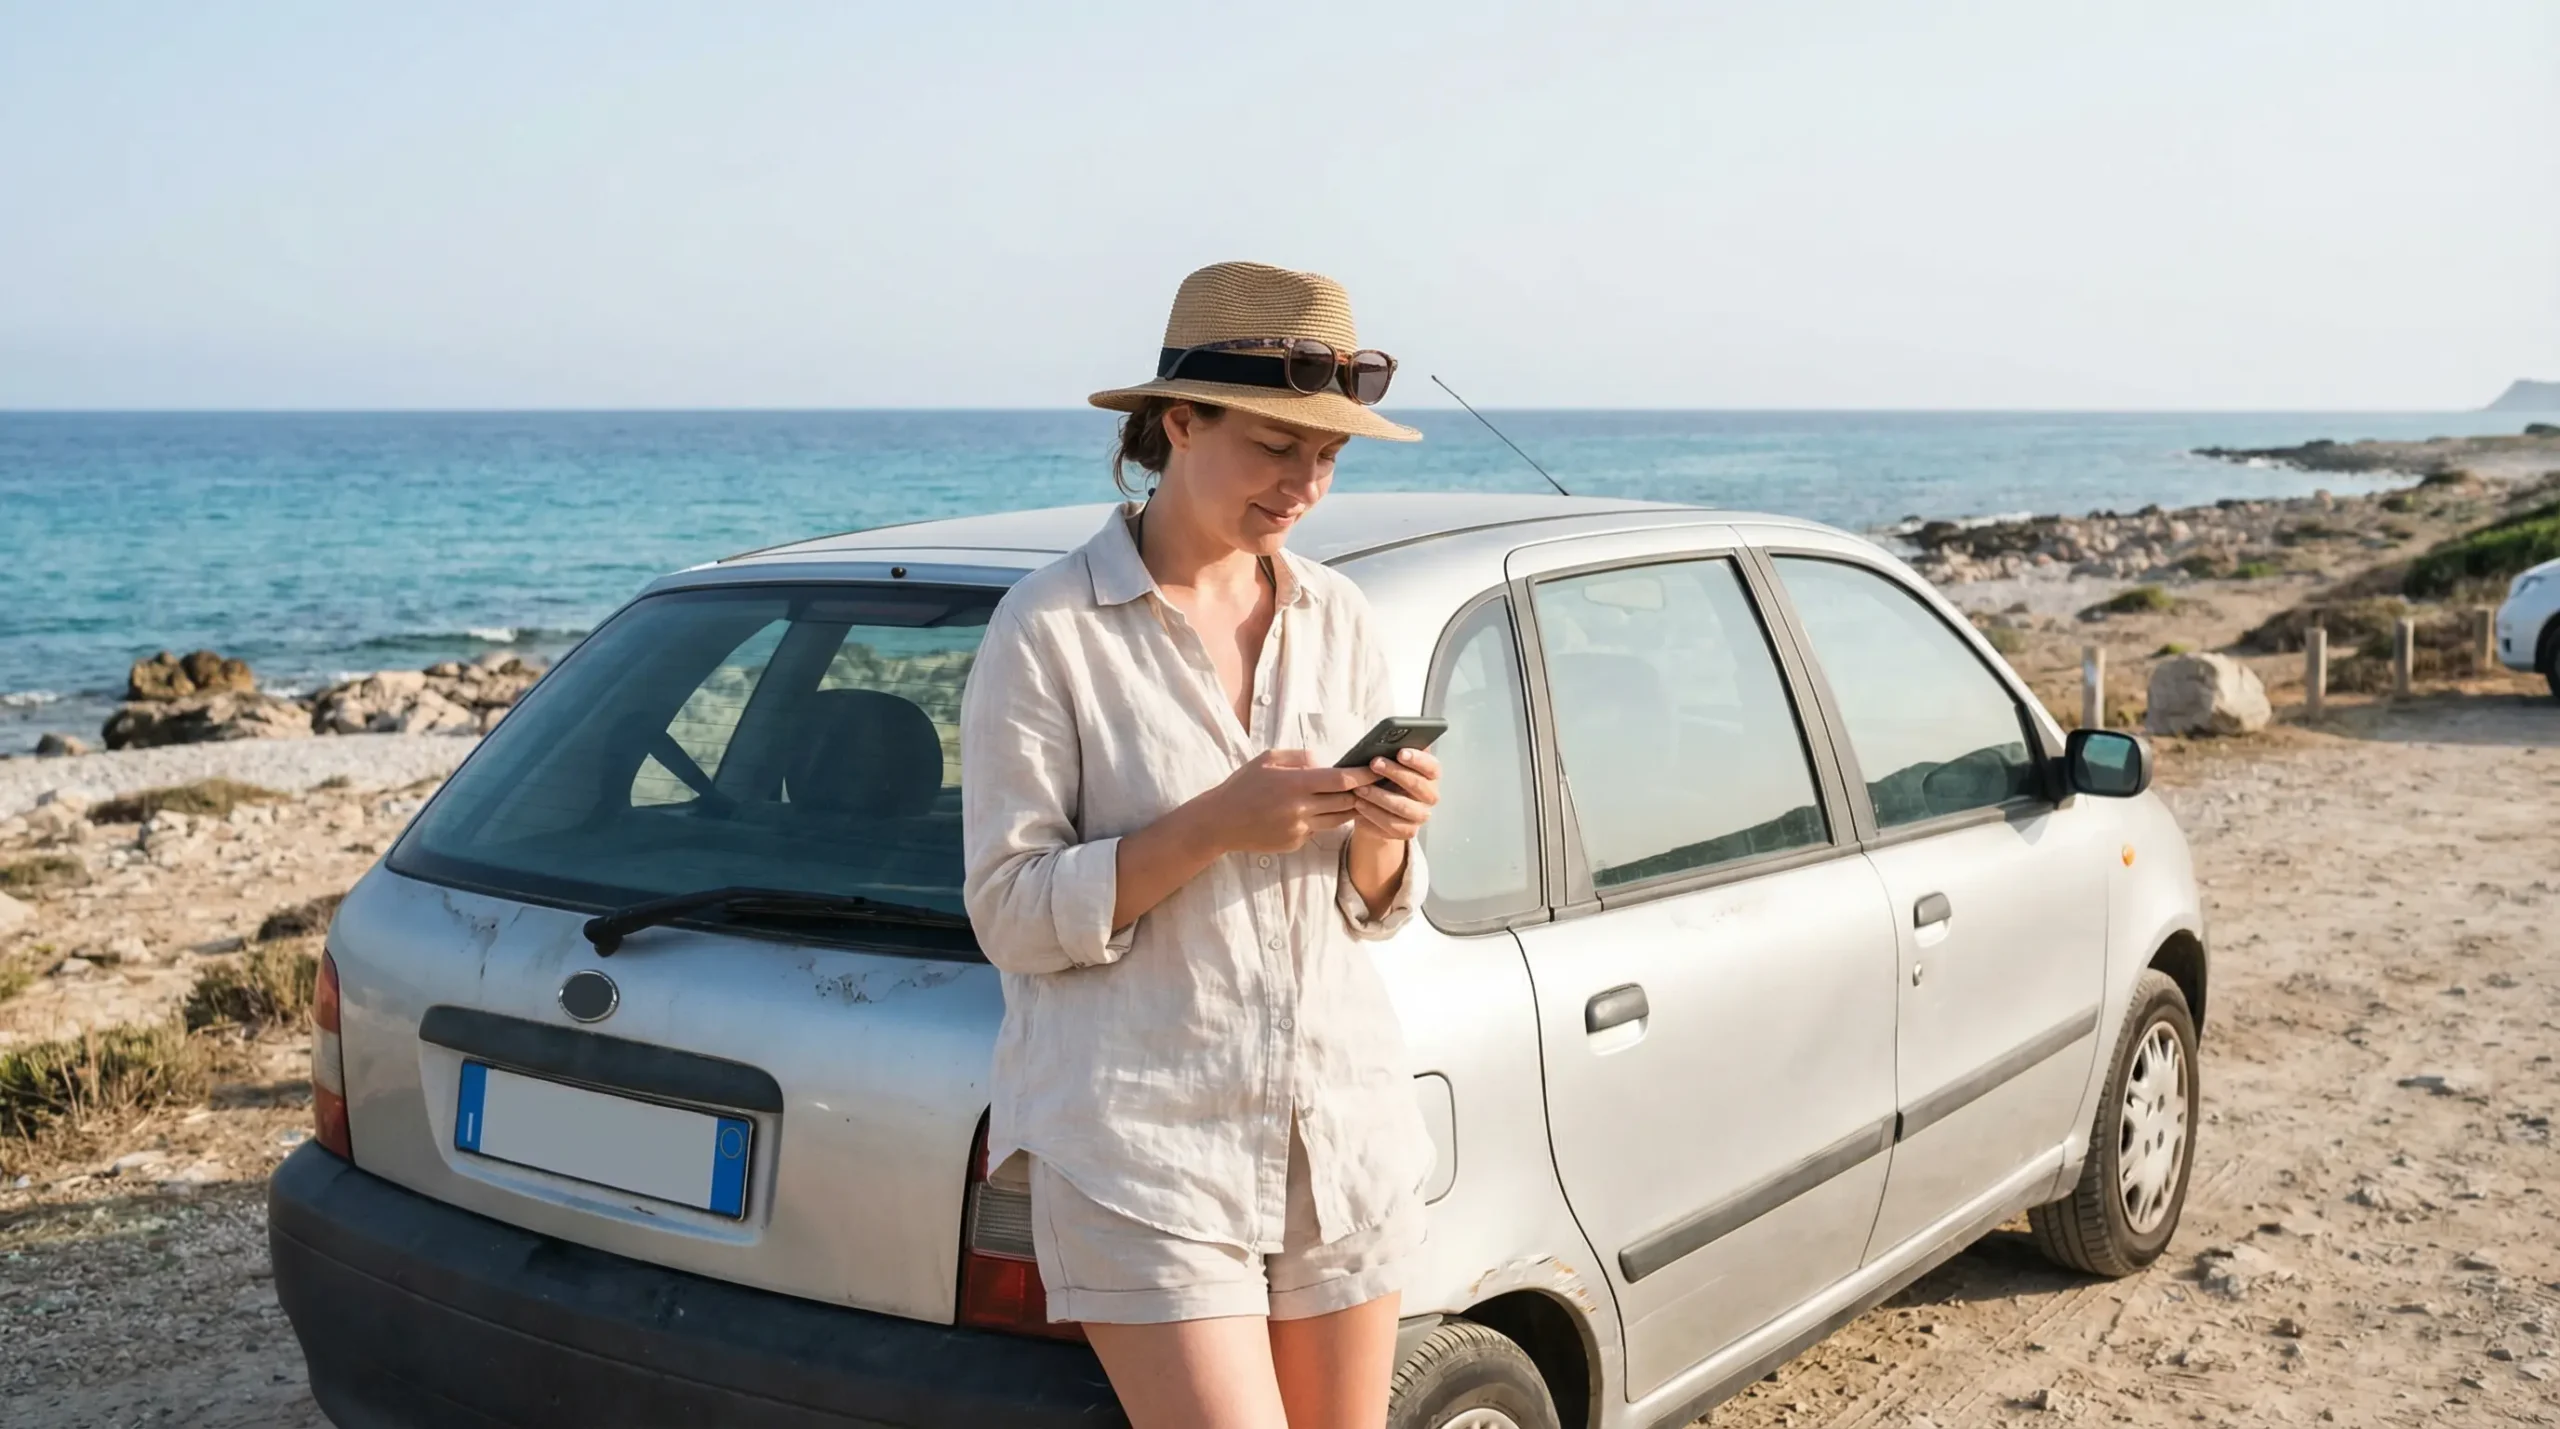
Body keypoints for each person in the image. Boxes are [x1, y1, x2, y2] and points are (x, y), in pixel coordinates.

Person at [959, 261, 1441, 1429]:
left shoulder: (1340, 617)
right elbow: (1010, 913)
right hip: (1140, 1142)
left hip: (1336, 1128)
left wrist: (1388, 836)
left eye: (1327, 457)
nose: (1304, 485)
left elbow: (1368, 909)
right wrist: (1209, 829)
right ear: (1179, 421)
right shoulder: (1050, 628)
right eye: (1277, 446)